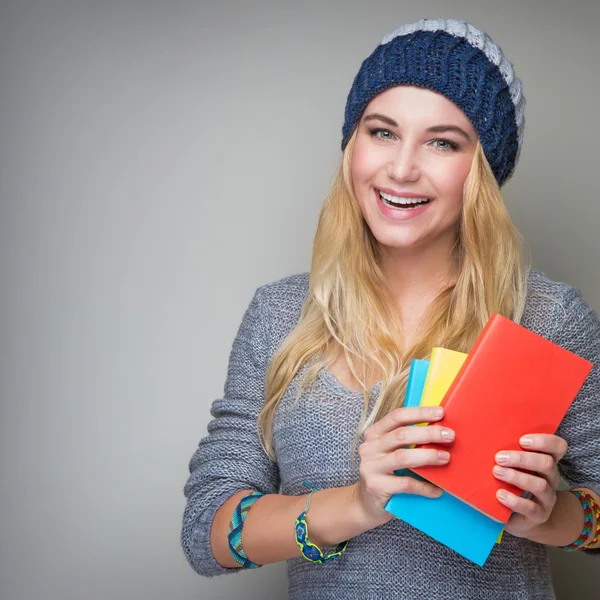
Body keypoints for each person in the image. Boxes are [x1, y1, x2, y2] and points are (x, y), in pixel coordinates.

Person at [181, 17, 600, 599]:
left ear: (481, 171)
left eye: (442, 141)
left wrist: (550, 516)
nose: (401, 168)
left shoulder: (549, 318)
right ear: (352, 146)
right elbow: (208, 531)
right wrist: (356, 504)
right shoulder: (280, 316)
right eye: (382, 132)